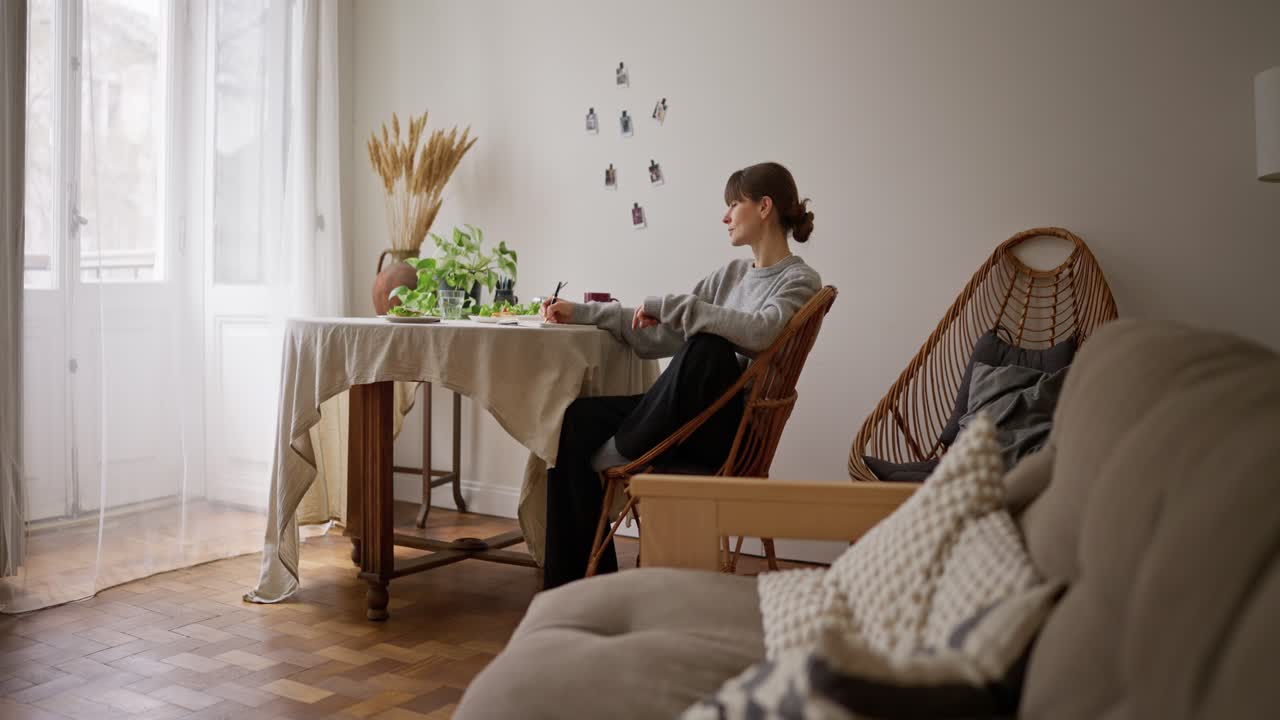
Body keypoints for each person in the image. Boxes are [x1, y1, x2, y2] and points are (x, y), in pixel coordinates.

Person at [538, 161, 821, 589]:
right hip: (681, 419)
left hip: (731, 432)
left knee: (709, 346)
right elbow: (660, 335)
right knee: (572, 421)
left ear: (764, 207)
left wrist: (677, 307)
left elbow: (762, 333)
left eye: (734, 205)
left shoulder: (800, 280)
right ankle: (576, 588)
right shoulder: (730, 276)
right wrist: (581, 311)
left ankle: (625, 449)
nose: (725, 217)